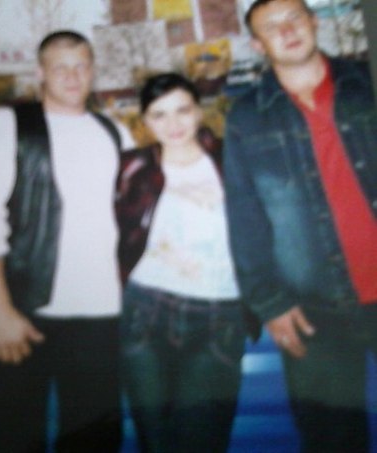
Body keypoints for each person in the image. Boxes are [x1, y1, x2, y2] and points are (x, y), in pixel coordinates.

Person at [0, 30, 135, 452]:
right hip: (23, 311)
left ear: (93, 71)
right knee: (14, 439)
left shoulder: (116, 132)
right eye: (60, 67)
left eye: (81, 66)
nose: (73, 76)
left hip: (102, 317)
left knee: (95, 441)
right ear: (40, 73)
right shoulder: (6, 125)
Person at [223, 0, 377, 451]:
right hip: (314, 309)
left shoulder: (366, 85)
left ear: (314, 21)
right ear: (258, 44)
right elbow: (244, 216)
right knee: (332, 440)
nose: (287, 31)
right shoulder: (246, 117)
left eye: (294, 18)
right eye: (272, 27)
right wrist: (269, 302)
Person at [115, 73, 248, 452]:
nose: (172, 124)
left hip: (217, 315)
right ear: (145, 121)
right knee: (155, 442)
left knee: (201, 442)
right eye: (159, 115)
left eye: (182, 110)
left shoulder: (233, 159)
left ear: (199, 112)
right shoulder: (130, 168)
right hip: (145, 311)